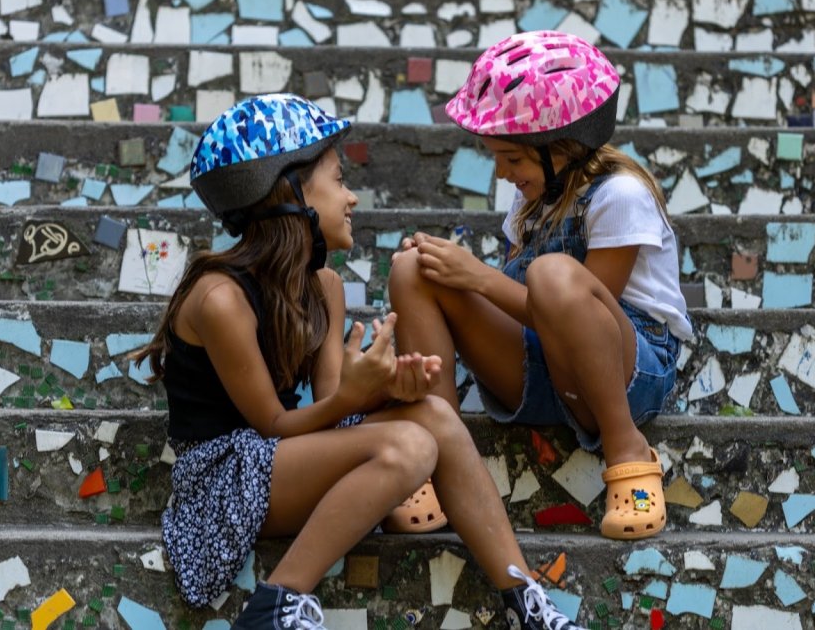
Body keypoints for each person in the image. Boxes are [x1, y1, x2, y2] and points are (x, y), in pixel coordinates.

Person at [135, 93, 587, 629]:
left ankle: (525, 601)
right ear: (292, 193)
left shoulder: (324, 287)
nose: (351, 197)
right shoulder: (220, 299)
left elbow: (332, 406)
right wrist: (356, 398)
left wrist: (384, 388)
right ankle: (275, 605)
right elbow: (272, 424)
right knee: (409, 446)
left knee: (435, 416)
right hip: (221, 483)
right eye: (338, 180)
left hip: (284, 462)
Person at [389, 31, 693, 542]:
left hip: (622, 374)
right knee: (412, 269)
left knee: (552, 274)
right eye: (495, 157)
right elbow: (523, 313)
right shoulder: (532, 197)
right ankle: (434, 456)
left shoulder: (620, 196)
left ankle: (627, 450)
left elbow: (571, 311)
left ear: (562, 148)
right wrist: (454, 273)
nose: (501, 173)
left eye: (512, 159)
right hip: (543, 369)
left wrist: (479, 276)